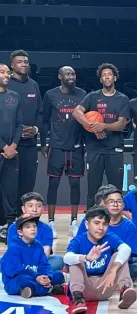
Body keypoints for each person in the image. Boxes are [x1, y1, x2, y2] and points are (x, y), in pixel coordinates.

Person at [72, 63, 129, 209]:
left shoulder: (122, 99)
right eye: (103, 75)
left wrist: (103, 126)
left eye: (109, 74)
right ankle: (91, 218)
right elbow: (76, 112)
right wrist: (91, 126)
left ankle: (116, 219)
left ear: (115, 77)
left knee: (115, 189)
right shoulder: (92, 96)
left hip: (114, 149)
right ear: (100, 79)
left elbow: (121, 125)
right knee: (93, 189)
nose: (107, 77)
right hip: (94, 149)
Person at [64, 206, 137, 314]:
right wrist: (85, 258)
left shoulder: (109, 237)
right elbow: (66, 258)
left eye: (105, 224)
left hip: (105, 285)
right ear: (87, 225)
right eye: (97, 223)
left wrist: (113, 270)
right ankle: (78, 299)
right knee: (75, 261)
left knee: (120, 254)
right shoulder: (78, 240)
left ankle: (125, 289)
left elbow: (126, 249)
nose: (101, 228)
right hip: (85, 289)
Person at [42, 66, 86, 238]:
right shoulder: (50, 95)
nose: (71, 76)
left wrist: (86, 145)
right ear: (60, 76)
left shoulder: (83, 95)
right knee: (53, 184)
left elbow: (87, 121)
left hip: (76, 146)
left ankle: (73, 222)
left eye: (73, 73)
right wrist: (44, 143)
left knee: (75, 185)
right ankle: (51, 222)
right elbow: (45, 120)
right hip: (56, 145)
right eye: (67, 74)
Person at [8, 50, 42, 217]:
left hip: (30, 144)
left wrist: (35, 129)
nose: (23, 64)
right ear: (12, 65)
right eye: (19, 62)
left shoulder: (33, 85)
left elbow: (40, 113)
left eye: (26, 62)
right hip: (10, 145)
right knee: (8, 185)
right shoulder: (6, 85)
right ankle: (7, 221)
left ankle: (24, 219)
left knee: (27, 184)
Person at [1, 214, 65, 298]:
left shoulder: (38, 245)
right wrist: (36, 277)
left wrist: (47, 277)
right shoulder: (14, 247)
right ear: (20, 232)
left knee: (58, 275)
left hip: (36, 276)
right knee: (23, 280)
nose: (32, 229)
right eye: (28, 227)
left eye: (34, 226)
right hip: (15, 280)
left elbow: (44, 264)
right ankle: (49, 290)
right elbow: (16, 271)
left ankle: (33, 290)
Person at [8, 192, 63, 271]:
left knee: (58, 260)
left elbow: (46, 252)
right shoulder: (14, 227)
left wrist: (34, 265)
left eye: (38, 206)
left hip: (39, 263)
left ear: (43, 209)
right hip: (20, 262)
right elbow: (13, 252)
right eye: (30, 206)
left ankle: (32, 273)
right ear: (23, 209)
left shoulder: (47, 229)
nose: (34, 210)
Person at [0, 63, 22, 242]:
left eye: (8, 72)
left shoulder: (14, 97)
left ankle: (8, 226)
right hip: (3, 150)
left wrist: (13, 145)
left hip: (12, 152)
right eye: (2, 72)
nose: (6, 74)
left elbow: (19, 124)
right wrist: (3, 146)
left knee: (10, 190)